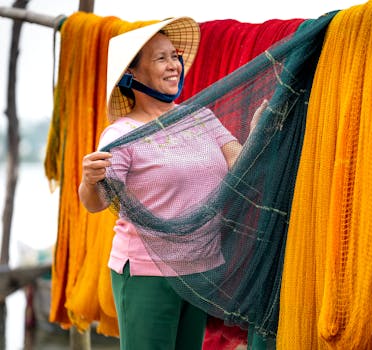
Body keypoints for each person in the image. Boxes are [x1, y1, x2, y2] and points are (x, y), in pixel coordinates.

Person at [78, 17, 264, 350]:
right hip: (147, 275)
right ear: (132, 75)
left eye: (174, 55)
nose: (174, 65)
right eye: (160, 58)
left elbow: (241, 162)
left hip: (201, 270)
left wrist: (259, 130)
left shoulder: (200, 116)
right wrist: (88, 181)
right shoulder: (121, 135)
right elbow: (97, 202)